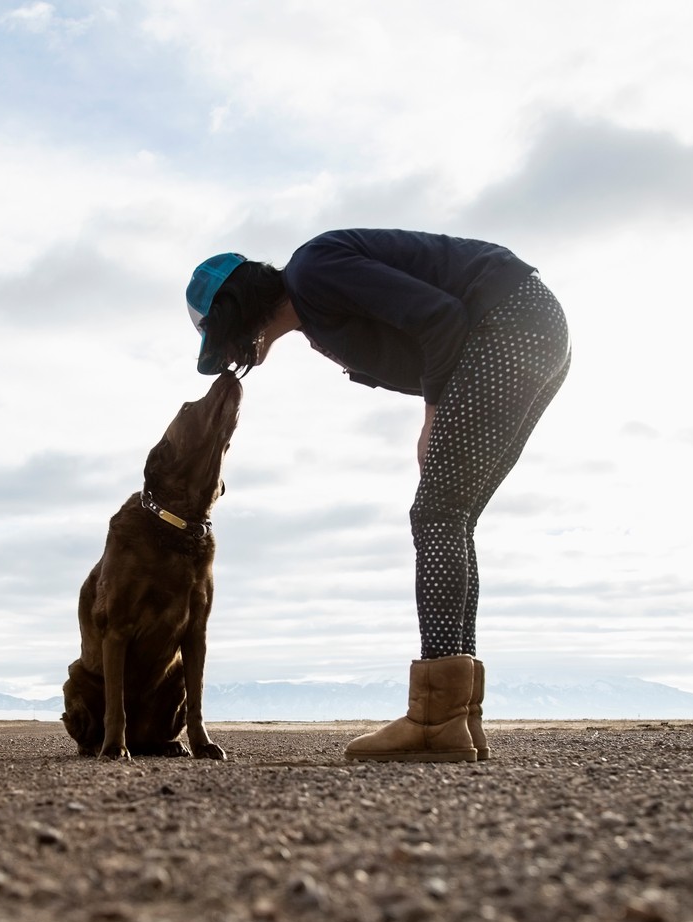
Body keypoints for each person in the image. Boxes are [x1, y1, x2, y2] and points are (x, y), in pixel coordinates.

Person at [186, 229, 570, 763]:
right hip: (530, 330)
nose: (231, 354)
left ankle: (437, 721)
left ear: (235, 309)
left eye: (222, 337)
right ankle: (460, 717)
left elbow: (441, 319)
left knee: (437, 515)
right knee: (452, 518)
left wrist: (434, 415)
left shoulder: (313, 270)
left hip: (510, 323)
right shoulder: (315, 315)